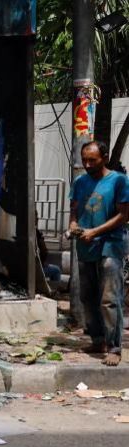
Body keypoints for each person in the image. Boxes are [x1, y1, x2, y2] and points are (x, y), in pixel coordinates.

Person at [69, 141, 129, 366]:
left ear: (104, 157)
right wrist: (74, 224)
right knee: (88, 296)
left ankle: (114, 347)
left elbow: (123, 216)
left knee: (109, 299)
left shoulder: (119, 181)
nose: (87, 164)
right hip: (86, 245)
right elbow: (74, 209)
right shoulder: (80, 182)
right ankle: (97, 339)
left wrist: (95, 231)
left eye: (92, 160)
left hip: (110, 245)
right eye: (85, 160)